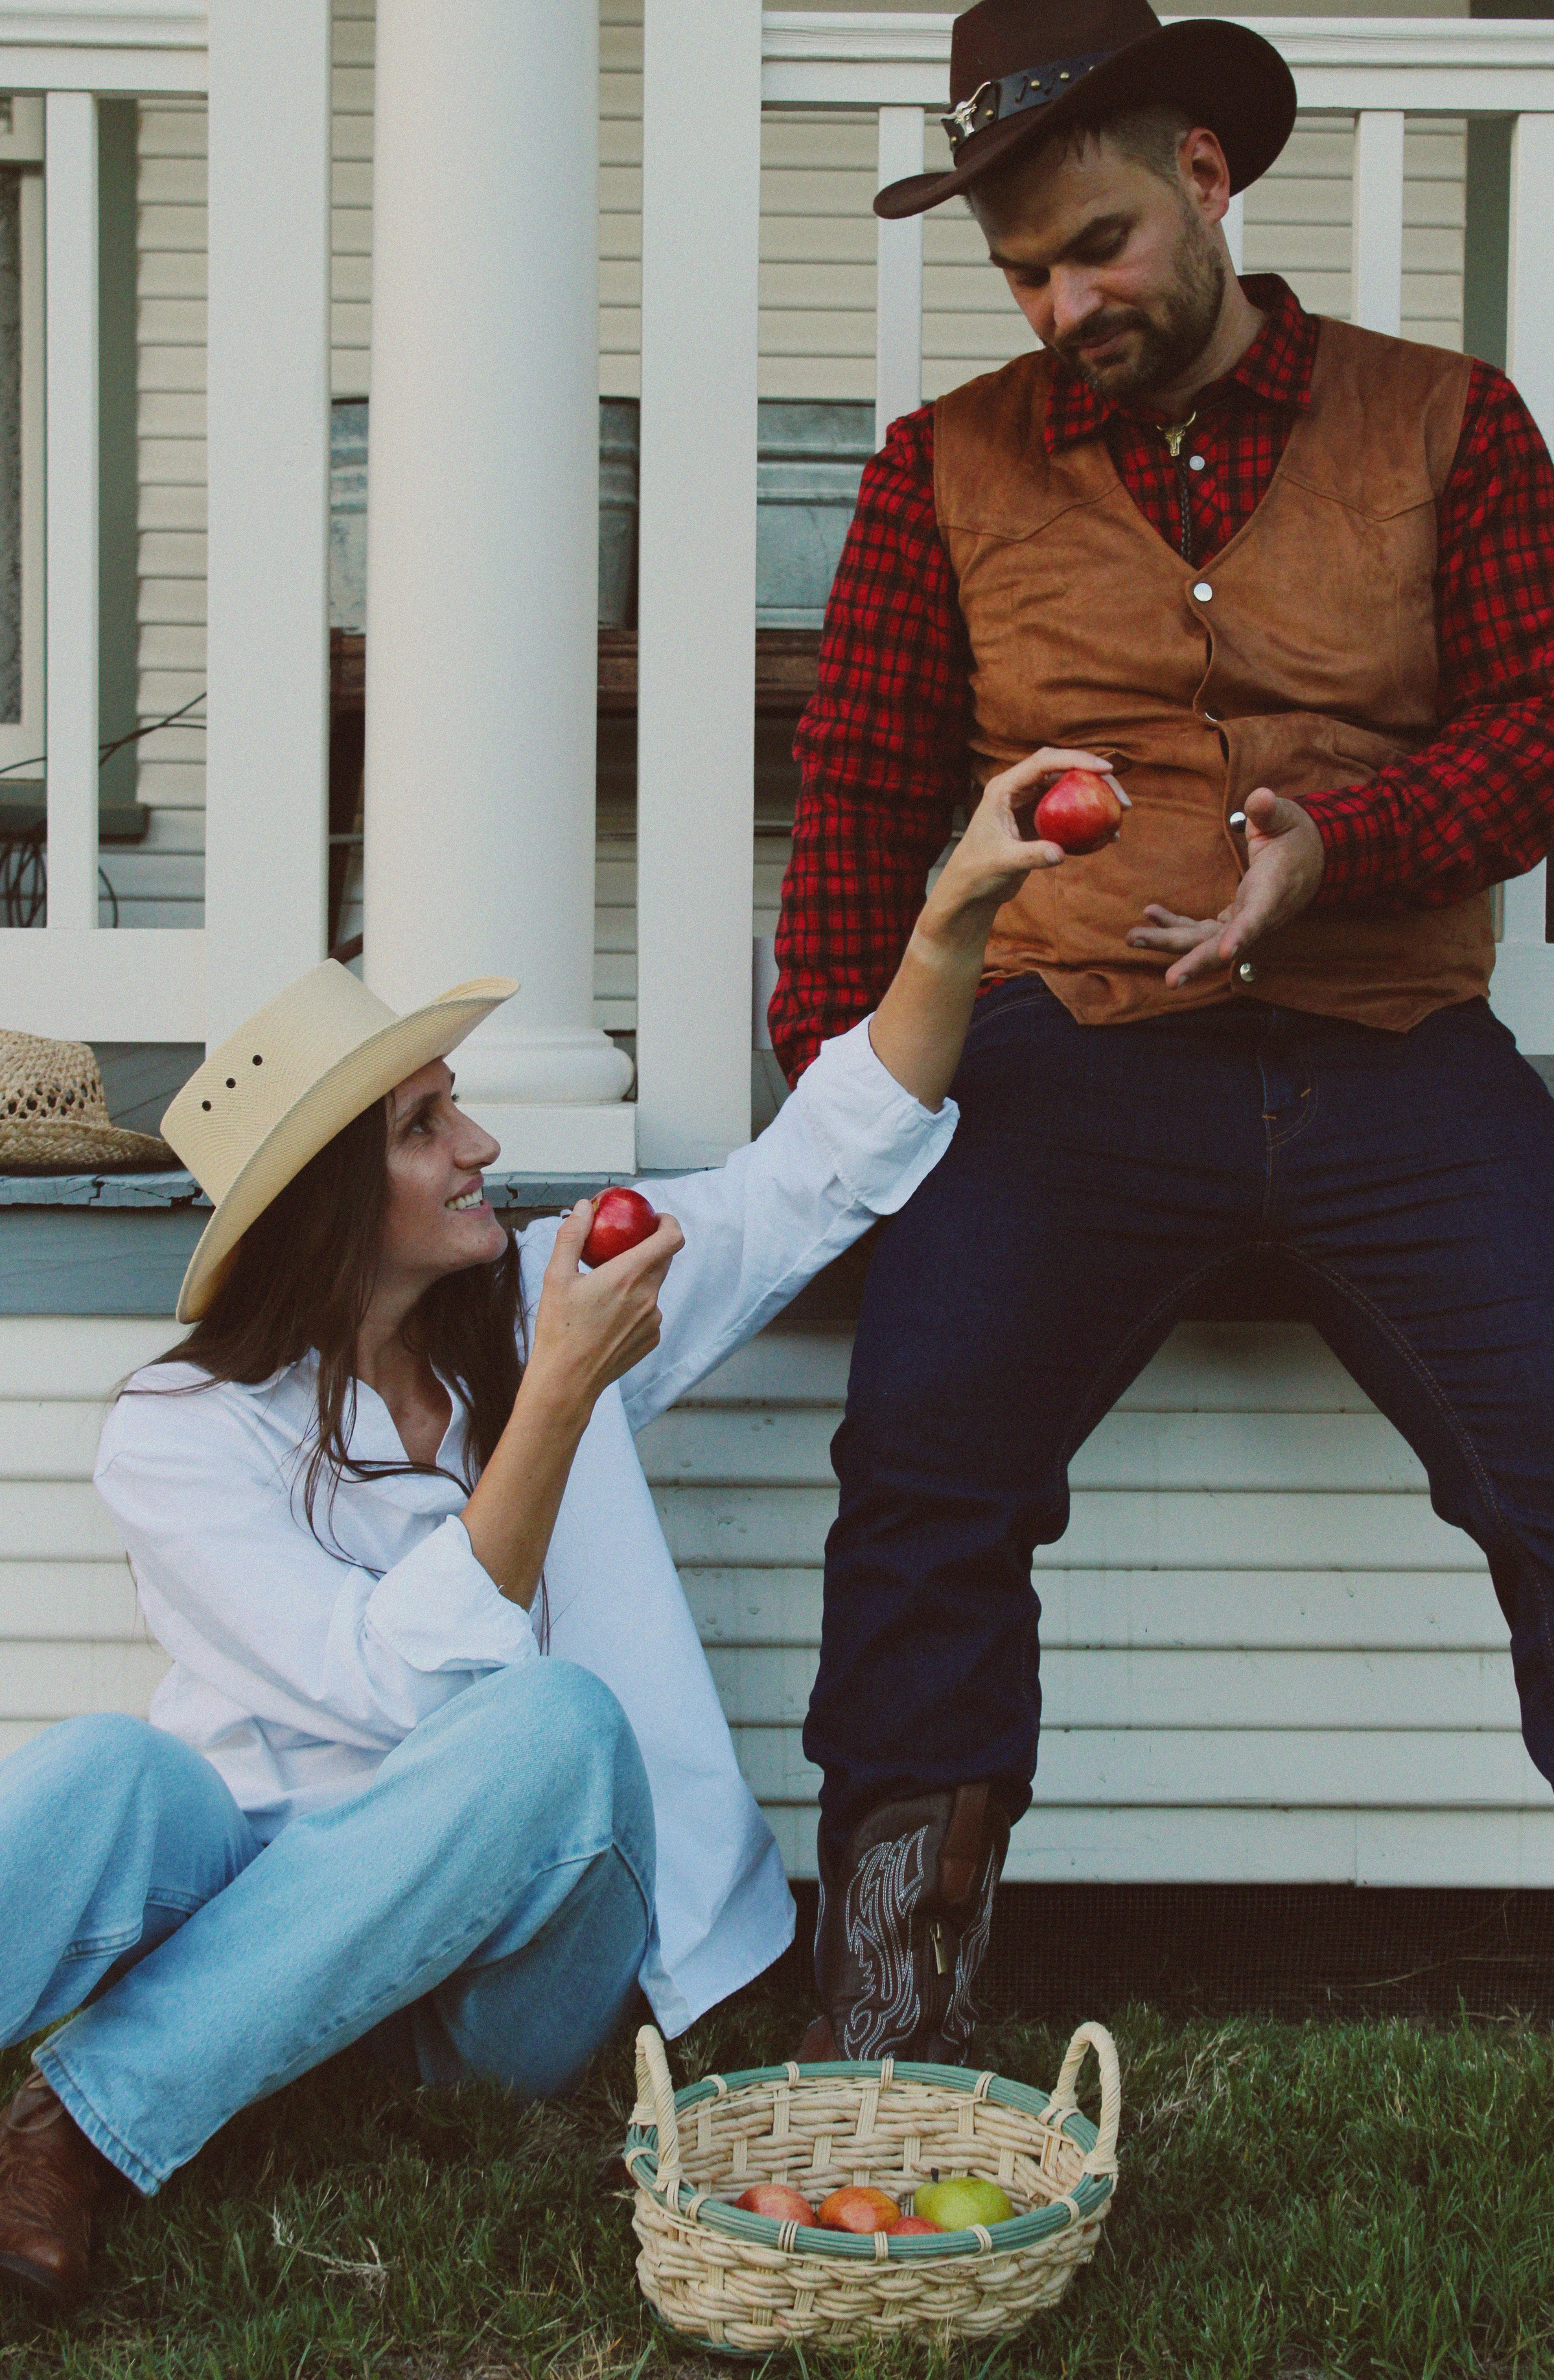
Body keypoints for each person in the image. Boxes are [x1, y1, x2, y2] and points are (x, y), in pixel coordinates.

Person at [771, 0, 1554, 2102]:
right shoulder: (937, 476)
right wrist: (842, 1146)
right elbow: (859, 827)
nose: (1064, 303)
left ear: (1204, 171)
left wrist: (1342, 847)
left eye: (1098, 245)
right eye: (1022, 273)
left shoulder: (1449, 420)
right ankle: (897, 2022)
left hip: (1392, 1049)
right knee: (922, 1474)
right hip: (1066, 1053)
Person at [0, 741, 1113, 2315]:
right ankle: (167, 2068)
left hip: (498, 1984)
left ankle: (82, 2127)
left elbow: (809, 1173)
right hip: (268, 1906)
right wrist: (560, 1397)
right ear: (331, 1202)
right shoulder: (178, 1437)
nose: (481, 1149)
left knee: (552, 1731)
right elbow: (391, 1687)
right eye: (424, 1126)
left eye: (454, 1110)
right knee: (111, 1772)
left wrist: (951, 920)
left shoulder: (538, 1304)